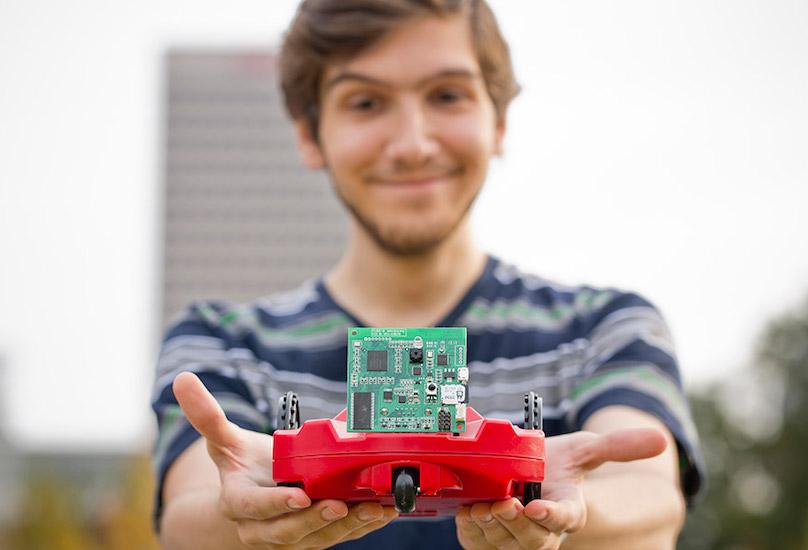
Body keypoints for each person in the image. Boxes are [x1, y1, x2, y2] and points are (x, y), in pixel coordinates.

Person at [151, 1, 704, 548]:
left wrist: (565, 509)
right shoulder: (220, 342)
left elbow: (651, 498)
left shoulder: (609, 328)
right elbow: (188, 513)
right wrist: (245, 511)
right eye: (366, 102)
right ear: (309, 134)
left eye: (447, 95)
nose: (413, 145)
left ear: (499, 120)